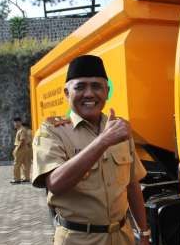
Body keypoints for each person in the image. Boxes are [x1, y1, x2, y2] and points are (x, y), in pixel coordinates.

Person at [31, 55, 150, 245]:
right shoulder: (52, 132)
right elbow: (55, 183)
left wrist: (144, 232)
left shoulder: (118, 128)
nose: (89, 94)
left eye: (96, 86)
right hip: (78, 239)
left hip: (122, 236)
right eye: (80, 87)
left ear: (107, 91)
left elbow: (132, 184)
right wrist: (103, 141)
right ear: (66, 93)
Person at [11, 117, 30, 184]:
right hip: (25, 148)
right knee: (25, 164)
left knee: (16, 164)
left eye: (17, 122)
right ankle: (26, 178)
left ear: (20, 122)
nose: (15, 124)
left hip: (21, 148)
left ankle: (17, 179)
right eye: (14, 122)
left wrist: (17, 149)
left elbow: (22, 140)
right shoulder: (21, 129)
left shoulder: (21, 130)